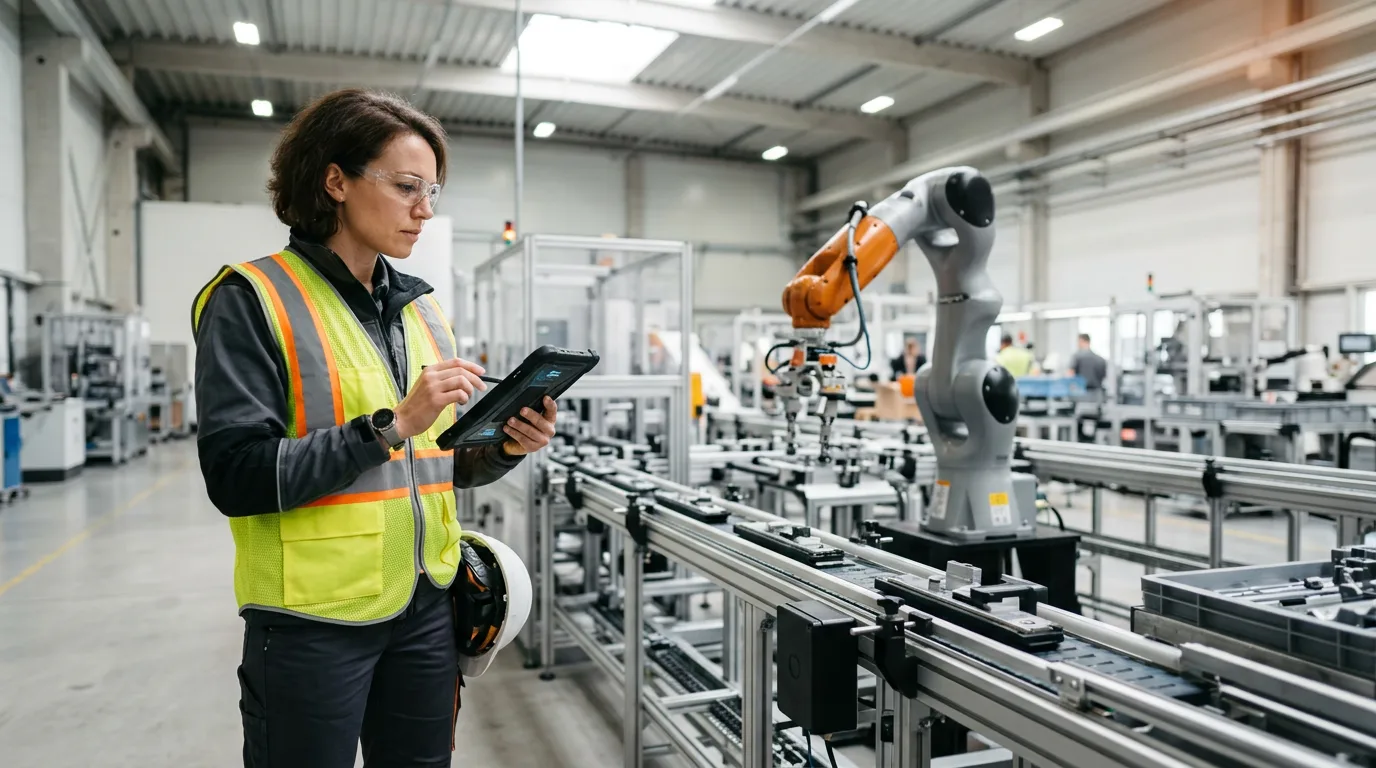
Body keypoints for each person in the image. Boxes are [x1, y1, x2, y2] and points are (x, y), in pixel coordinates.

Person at [191, 88, 558, 768]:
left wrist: (505, 446)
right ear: (336, 181)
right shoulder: (251, 299)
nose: (425, 210)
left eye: (433, 191)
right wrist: (391, 424)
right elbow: (237, 476)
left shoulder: (422, 313)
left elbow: (434, 463)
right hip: (311, 621)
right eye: (406, 187)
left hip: (425, 607)